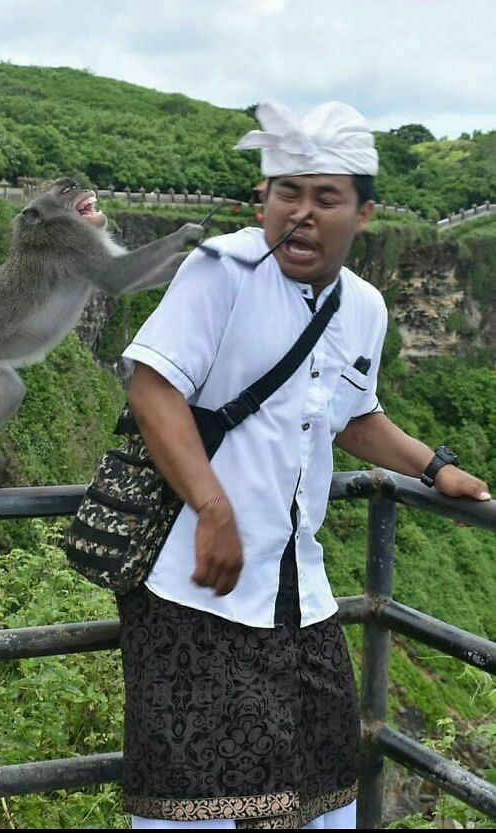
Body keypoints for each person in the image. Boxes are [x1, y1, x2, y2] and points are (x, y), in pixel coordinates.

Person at [116, 100, 490, 830]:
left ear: (364, 213)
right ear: (264, 199)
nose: (302, 213)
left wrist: (435, 466)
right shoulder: (219, 272)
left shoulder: (366, 308)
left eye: (326, 198)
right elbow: (151, 387)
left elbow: (354, 416)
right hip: (194, 584)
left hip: (299, 592)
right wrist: (212, 506)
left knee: (324, 789)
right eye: (287, 192)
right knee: (189, 803)